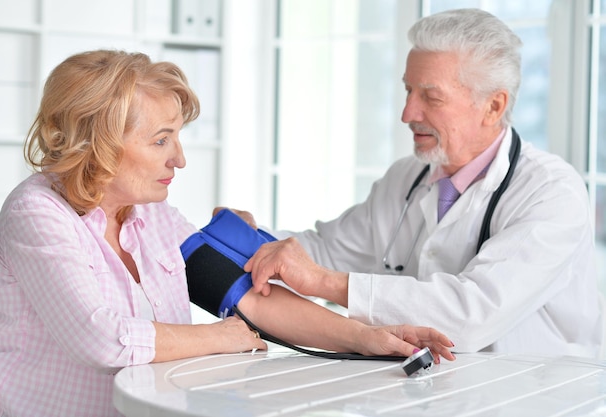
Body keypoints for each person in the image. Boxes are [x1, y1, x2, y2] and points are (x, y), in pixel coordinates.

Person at [0, 50, 454, 417]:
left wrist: (366, 337)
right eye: (161, 139)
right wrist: (219, 337)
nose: (179, 159)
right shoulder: (38, 214)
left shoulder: (152, 215)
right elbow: (104, 340)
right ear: (99, 142)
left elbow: (251, 299)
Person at [234, 8, 602, 358]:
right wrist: (248, 239)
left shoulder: (551, 194)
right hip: (440, 391)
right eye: (408, 90)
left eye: (431, 97)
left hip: (540, 396)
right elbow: (326, 251)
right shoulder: (406, 178)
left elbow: (470, 315)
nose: (407, 113)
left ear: (493, 106)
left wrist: (326, 283)